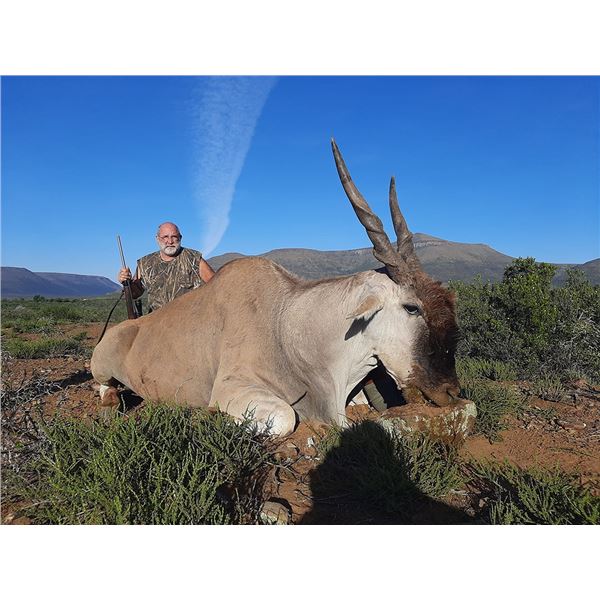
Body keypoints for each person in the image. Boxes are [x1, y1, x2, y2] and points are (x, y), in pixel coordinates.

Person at [118, 222, 215, 313]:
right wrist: (126, 282)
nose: (170, 241)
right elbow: (135, 294)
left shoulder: (194, 259)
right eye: (165, 237)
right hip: (157, 321)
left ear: (180, 238)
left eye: (174, 237)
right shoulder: (145, 263)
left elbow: (216, 285)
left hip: (189, 319)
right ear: (157, 239)